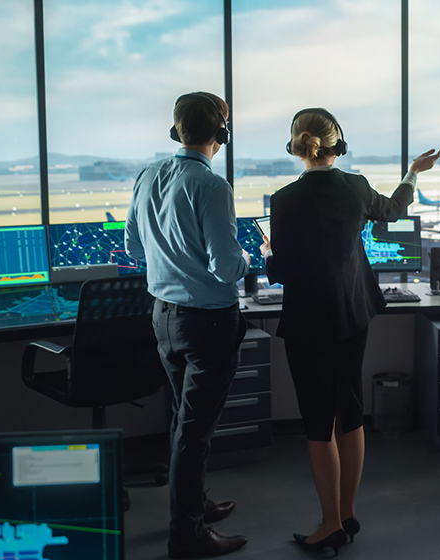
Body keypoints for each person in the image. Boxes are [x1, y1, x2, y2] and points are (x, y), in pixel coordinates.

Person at [260, 108, 440, 556]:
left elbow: (281, 271)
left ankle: (330, 524)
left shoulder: (283, 200)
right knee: (350, 410)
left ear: (295, 146)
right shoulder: (357, 186)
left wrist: (267, 251)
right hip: (353, 313)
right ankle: (347, 512)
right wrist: (412, 173)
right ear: (337, 144)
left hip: (309, 321)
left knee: (319, 421)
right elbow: (396, 210)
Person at [125, 91, 250, 559]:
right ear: (222, 135)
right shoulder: (213, 187)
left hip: (163, 318)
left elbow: (135, 248)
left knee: (183, 421)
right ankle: (188, 535)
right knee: (194, 432)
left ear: (177, 131)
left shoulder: (149, 174)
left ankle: (194, 506)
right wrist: (252, 260)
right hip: (208, 325)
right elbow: (224, 267)